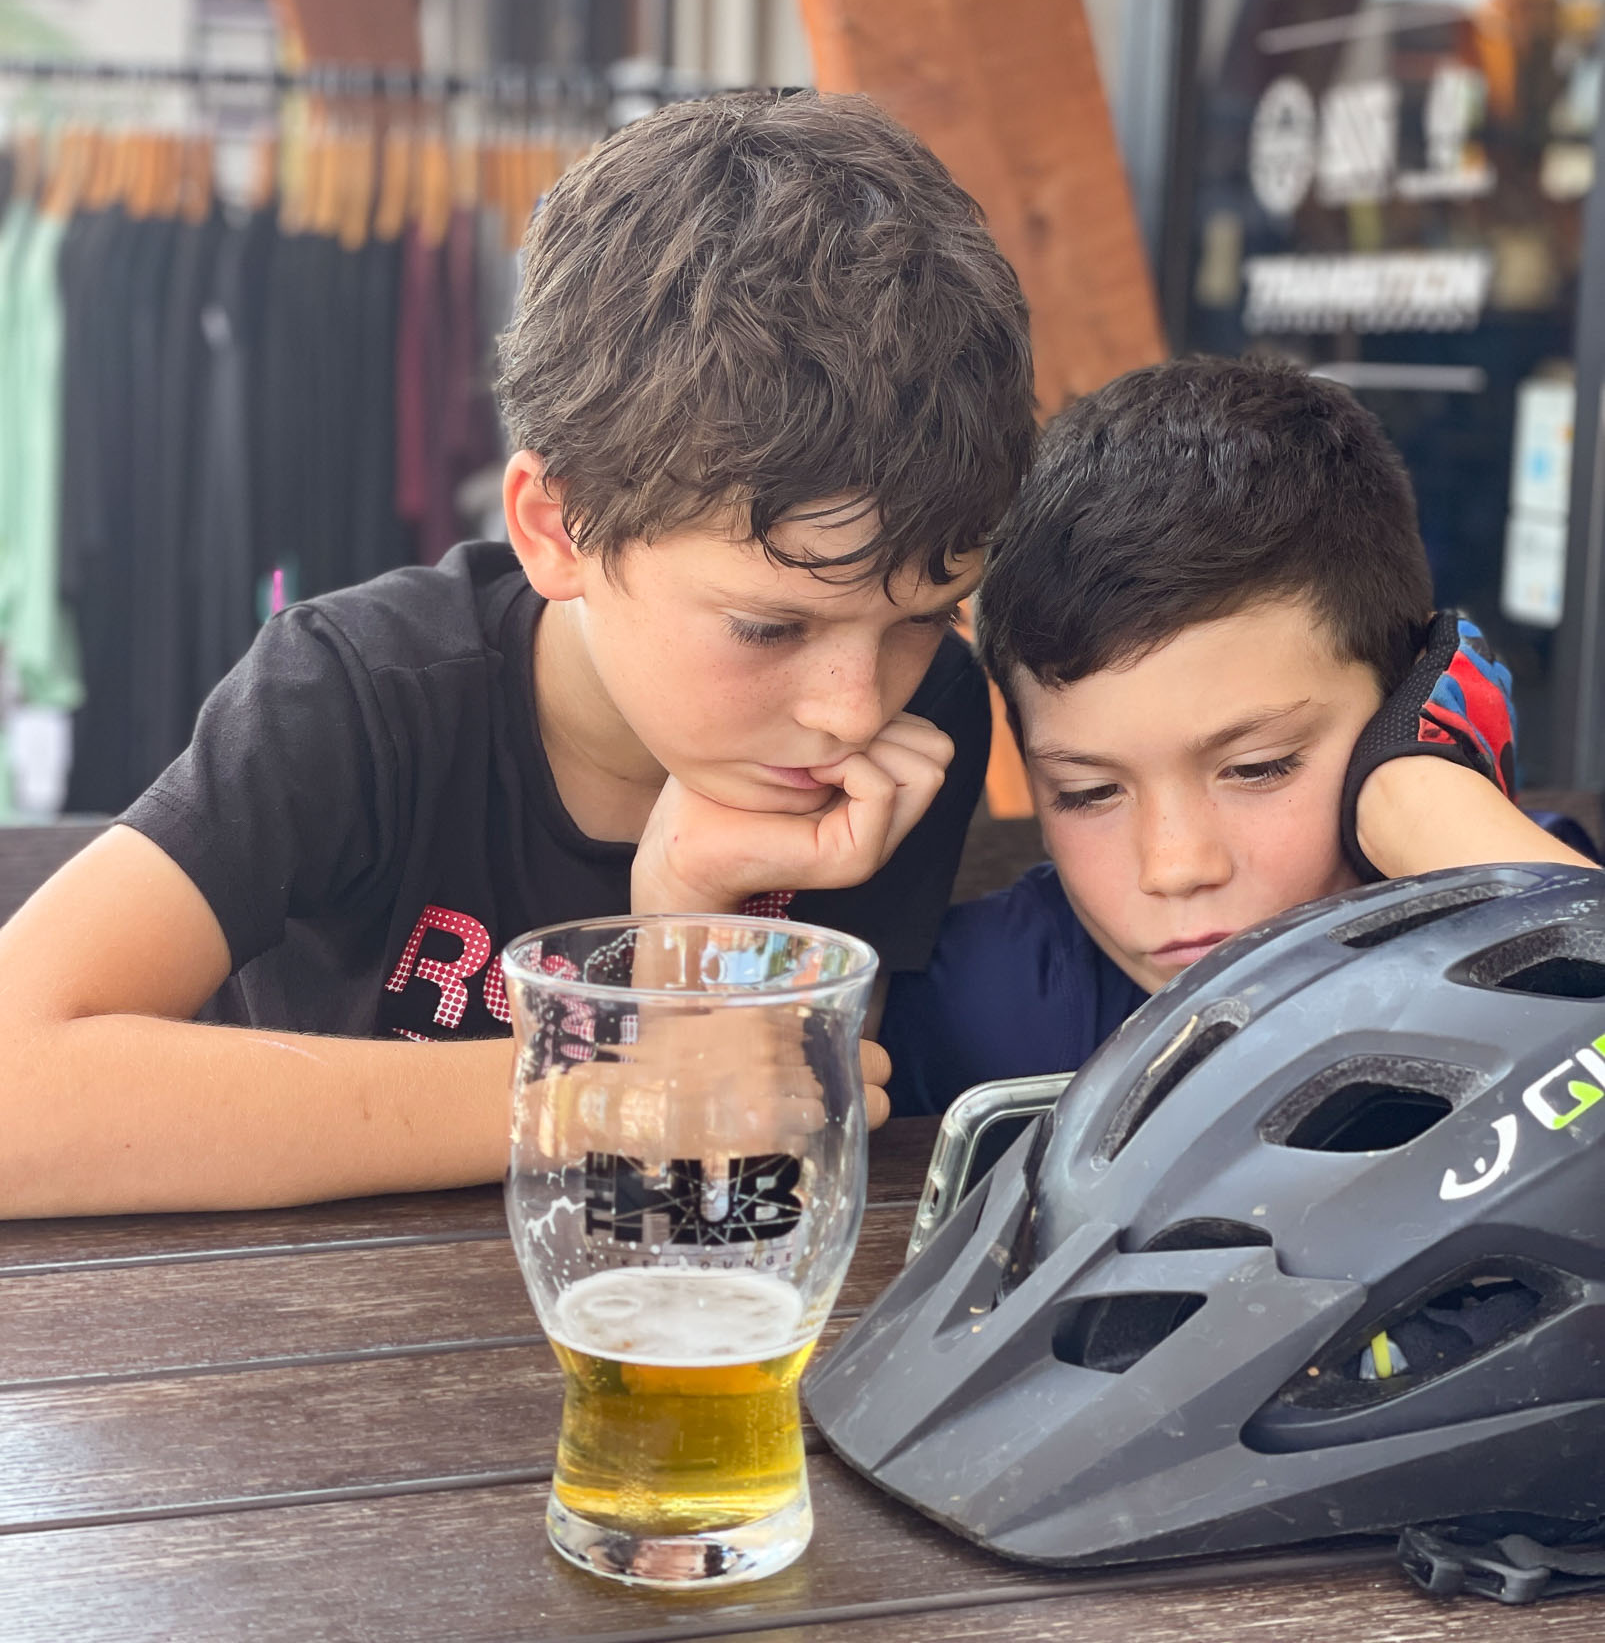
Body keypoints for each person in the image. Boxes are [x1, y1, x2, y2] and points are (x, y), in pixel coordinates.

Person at [0, 91, 1037, 1216]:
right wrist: (603, 1089)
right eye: (767, 627)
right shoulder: (357, 697)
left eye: (928, 615)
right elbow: (17, 1088)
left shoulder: (918, 716)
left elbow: (739, 1174)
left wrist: (682, 908)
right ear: (558, 529)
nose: (852, 707)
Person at [882, 354, 1597, 1116]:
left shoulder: (1538, 886)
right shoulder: (994, 1006)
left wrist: (1429, 807)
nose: (1174, 866)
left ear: (1410, 708)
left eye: (1258, 768)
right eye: (1086, 791)